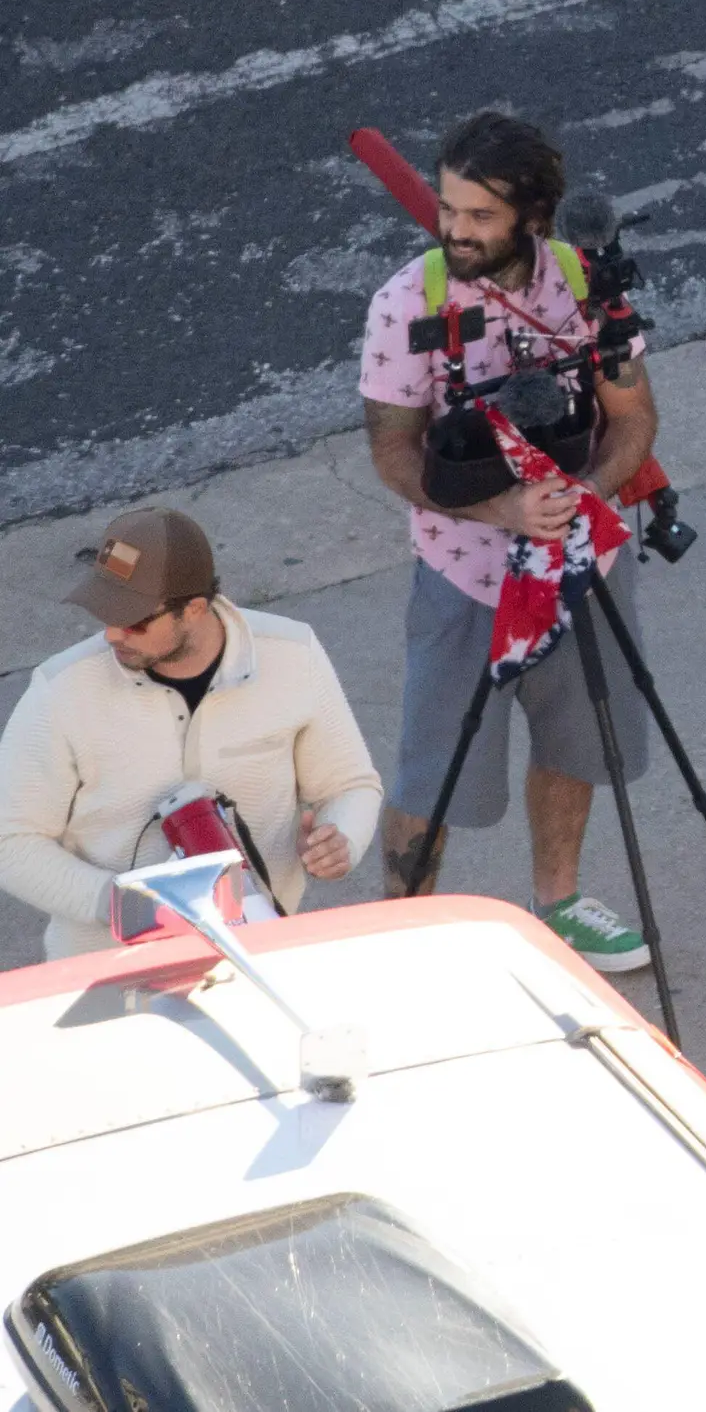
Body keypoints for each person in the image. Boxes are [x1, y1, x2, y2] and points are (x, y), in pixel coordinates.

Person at [358, 110, 660, 972]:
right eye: (450, 208)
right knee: (430, 776)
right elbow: (393, 453)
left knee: (577, 745)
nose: (455, 229)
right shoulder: (405, 303)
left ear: (534, 215)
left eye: (480, 215)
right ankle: (402, 935)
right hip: (464, 577)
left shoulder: (586, 284)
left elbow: (634, 415)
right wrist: (503, 513)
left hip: (582, 564)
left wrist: (582, 498)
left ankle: (557, 903)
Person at [0, 507, 383, 960]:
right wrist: (123, 904)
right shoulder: (61, 690)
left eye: (135, 619)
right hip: (103, 961)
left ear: (194, 609)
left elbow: (350, 785)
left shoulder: (293, 655)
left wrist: (341, 838)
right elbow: (11, 842)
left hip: (257, 951)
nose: (112, 634)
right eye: (104, 611)